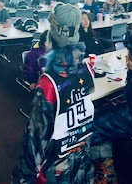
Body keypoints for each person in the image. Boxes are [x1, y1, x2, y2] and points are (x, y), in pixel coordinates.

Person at [11, 27, 95, 184]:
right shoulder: (86, 69)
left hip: (56, 163)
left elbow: (35, 139)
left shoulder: (49, 82)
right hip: (79, 156)